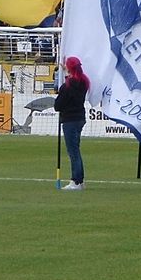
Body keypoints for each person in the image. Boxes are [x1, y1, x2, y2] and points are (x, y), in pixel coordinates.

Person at [54, 56, 89, 191]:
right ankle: (80, 179)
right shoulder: (84, 82)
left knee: (73, 151)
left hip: (70, 119)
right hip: (79, 117)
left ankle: (76, 180)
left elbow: (58, 106)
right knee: (75, 149)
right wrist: (66, 72)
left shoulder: (67, 86)